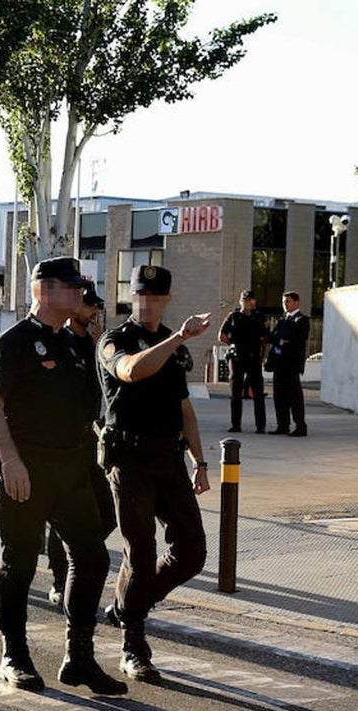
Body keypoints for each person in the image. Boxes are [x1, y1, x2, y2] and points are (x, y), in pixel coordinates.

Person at [0, 257, 125, 696]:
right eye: (72, 286)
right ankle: (14, 654)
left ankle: (78, 657)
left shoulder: (73, 345)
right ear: (43, 289)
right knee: (19, 561)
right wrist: (10, 461)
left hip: (71, 468)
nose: (81, 293)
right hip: (25, 467)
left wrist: (94, 338)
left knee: (93, 557)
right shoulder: (14, 342)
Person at [97, 265, 211, 685]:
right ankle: (133, 645)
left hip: (169, 460)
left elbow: (185, 410)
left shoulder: (177, 352)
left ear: (165, 300)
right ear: (132, 296)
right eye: (139, 295)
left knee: (193, 551)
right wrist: (178, 336)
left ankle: (128, 605)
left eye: (154, 297)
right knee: (140, 555)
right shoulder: (114, 340)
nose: (145, 303)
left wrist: (199, 462)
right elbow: (131, 371)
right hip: (129, 459)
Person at [46, 284, 116, 608]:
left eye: (95, 308)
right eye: (89, 308)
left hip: (91, 439)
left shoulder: (97, 344)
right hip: (63, 443)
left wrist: (101, 345)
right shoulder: (59, 343)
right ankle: (61, 580)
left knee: (109, 511)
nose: (94, 313)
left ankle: (79, 551)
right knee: (63, 513)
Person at [219, 289, 268, 433]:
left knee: (258, 393)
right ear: (241, 301)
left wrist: (262, 355)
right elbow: (221, 334)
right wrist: (233, 345)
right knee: (236, 393)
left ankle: (260, 426)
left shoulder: (259, 317)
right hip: (237, 357)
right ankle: (236, 425)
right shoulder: (234, 316)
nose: (249, 302)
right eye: (246, 300)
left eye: (251, 300)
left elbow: (265, 338)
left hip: (253, 357)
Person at [267, 291, 310, 437]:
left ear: (296, 303)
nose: (285, 305)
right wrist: (282, 340)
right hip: (279, 364)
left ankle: (300, 426)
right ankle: (282, 425)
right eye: (284, 302)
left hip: (291, 365)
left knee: (294, 397)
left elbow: (296, 339)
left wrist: (283, 339)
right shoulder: (283, 319)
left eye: (288, 302)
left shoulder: (302, 320)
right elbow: (273, 337)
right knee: (279, 396)